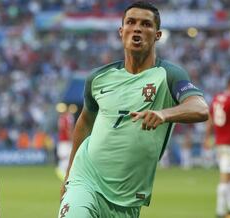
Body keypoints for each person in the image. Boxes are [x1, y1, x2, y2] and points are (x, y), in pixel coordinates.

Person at [58, 2, 209, 218]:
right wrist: (69, 175)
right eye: (131, 22)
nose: (137, 28)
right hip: (86, 181)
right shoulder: (98, 78)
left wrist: (164, 114)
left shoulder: (169, 75)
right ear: (122, 32)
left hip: (128, 198)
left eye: (145, 24)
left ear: (157, 35)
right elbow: (84, 122)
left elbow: (200, 108)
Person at [203, 76, 230, 218]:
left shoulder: (217, 98)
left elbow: (209, 119)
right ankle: (221, 211)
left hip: (220, 143)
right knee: (226, 179)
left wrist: (207, 137)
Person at [56, 108, 75, 180]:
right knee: (68, 157)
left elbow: (61, 129)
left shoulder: (61, 118)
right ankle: (63, 173)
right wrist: (72, 139)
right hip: (66, 141)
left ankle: (64, 173)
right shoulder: (67, 118)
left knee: (65, 157)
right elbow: (68, 130)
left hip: (62, 141)